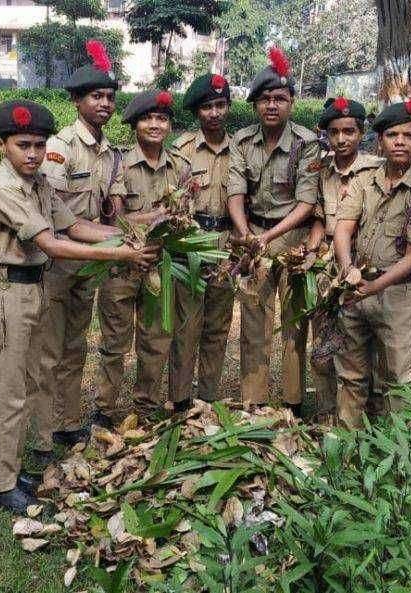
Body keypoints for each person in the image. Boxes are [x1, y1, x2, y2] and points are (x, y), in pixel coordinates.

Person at [0, 99, 158, 513]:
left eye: (39, 145)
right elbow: (52, 243)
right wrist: (120, 254)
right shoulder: (4, 187)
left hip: (34, 287)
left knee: (32, 380)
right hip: (9, 293)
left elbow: (75, 225)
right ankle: (1, 484)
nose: (33, 154)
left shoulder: (39, 182)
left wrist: (126, 237)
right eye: (23, 145)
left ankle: (14, 469)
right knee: (10, 389)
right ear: (2, 146)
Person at [332, 97, 411, 429]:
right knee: (351, 372)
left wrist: (374, 286)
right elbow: (343, 227)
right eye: (392, 135)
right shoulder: (365, 180)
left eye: (409, 136)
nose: (400, 142)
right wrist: (348, 268)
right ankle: (347, 440)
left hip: (399, 297)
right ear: (380, 140)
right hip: (357, 288)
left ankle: (395, 447)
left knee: (396, 377)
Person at [36, 40, 127, 439]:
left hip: (89, 263)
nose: (105, 103)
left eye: (109, 97)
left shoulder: (109, 152)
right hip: (57, 262)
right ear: (76, 101)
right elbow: (53, 215)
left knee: (75, 346)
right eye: (96, 96)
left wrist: (122, 225)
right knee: (50, 349)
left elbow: (109, 209)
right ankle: (43, 429)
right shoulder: (60, 148)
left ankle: (67, 422)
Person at [227, 47, 319, 415]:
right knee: (253, 323)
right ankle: (255, 402)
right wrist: (246, 233)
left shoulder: (306, 143)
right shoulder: (241, 141)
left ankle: (293, 403)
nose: (272, 105)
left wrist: (268, 237)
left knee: (294, 324)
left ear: (292, 102)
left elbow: (306, 203)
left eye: (280, 98)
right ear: (254, 105)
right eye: (265, 99)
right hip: (252, 236)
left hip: (292, 239)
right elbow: (236, 192)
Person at [95, 90, 181, 421]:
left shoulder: (180, 167)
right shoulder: (118, 165)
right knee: (114, 342)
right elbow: (115, 220)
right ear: (134, 125)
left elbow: (183, 219)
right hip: (122, 267)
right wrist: (158, 215)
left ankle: (146, 406)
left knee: (156, 341)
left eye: (162, 118)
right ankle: (105, 408)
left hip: (161, 264)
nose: (155, 124)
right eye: (147, 118)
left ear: (169, 125)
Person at [305, 96, 383, 422]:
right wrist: (311, 252)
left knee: (361, 342)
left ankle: (368, 413)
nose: (341, 139)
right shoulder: (323, 171)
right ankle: (326, 411)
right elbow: (319, 217)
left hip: (361, 265)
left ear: (361, 132)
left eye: (349, 131)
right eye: (334, 132)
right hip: (328, 265)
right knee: (323, 339)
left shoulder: (375, 170)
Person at [168, 74, 235, 410]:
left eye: (220, 105)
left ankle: (207, 397)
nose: (214, 113)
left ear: (229, 107)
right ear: (197, 111)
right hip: (191, 246)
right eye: (207, 106)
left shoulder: (241, 150)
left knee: (217, 327)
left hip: (226, 245)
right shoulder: (181, 151)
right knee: (186, 326)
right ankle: (180, 400)